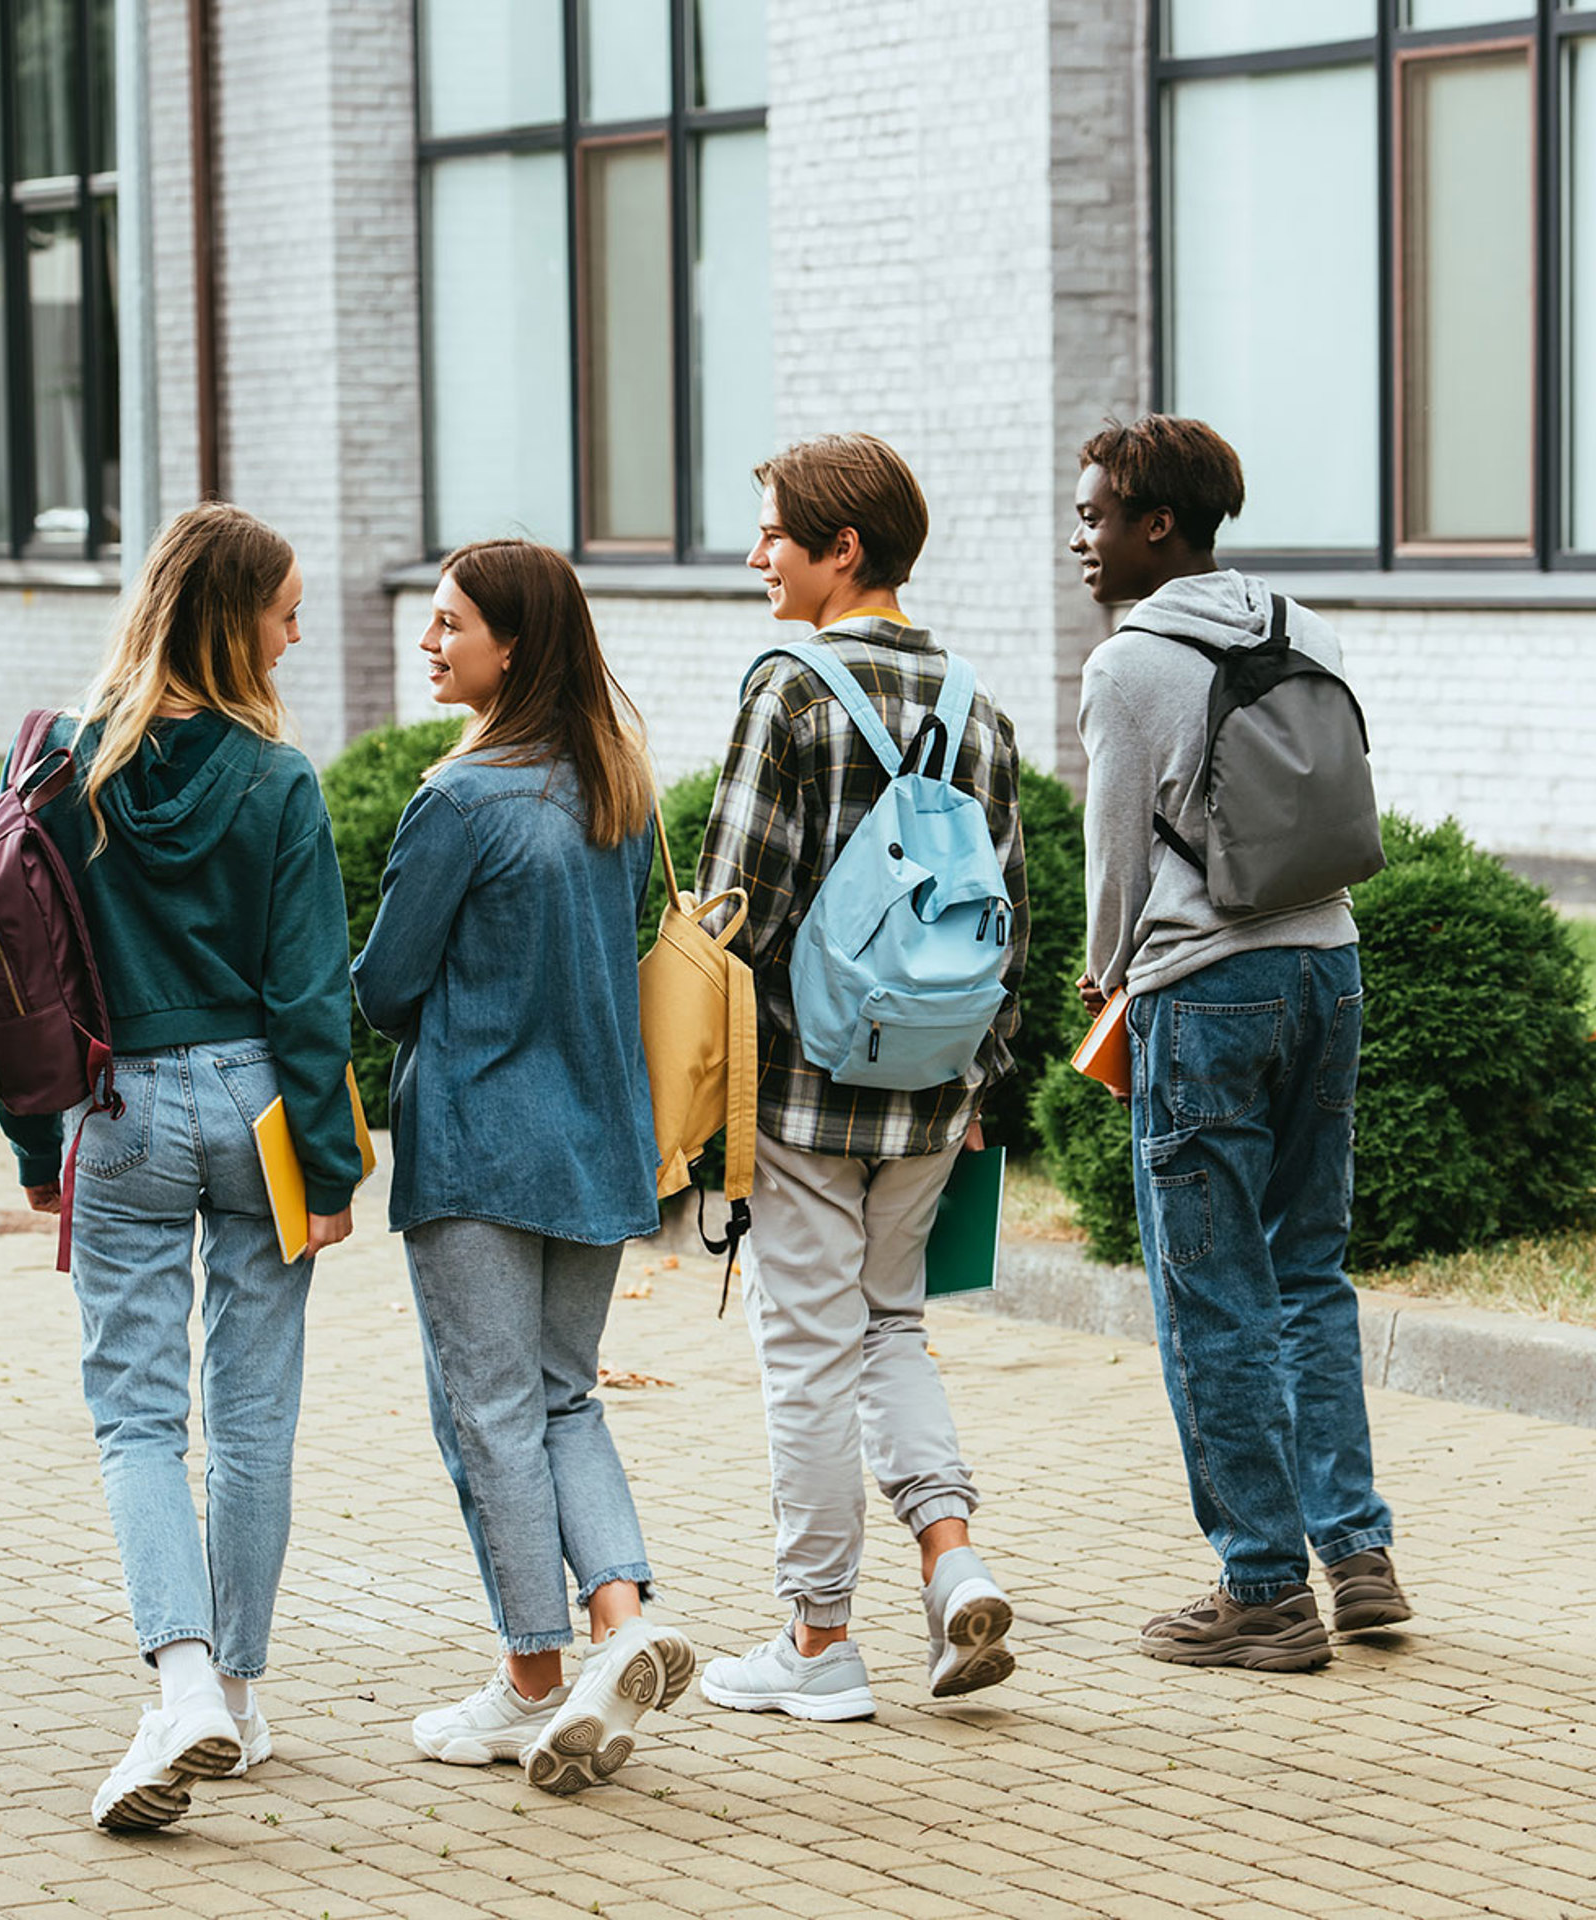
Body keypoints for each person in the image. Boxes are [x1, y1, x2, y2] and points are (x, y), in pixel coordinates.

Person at [0, 502, 360, 1828]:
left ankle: (187, 1681)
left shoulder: (64, 768)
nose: (298, 630)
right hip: (259, 1106)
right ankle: (243, 1702)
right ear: (233, 620)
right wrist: (329, 1171)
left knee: (141, 1417)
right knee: (254, 1412)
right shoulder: (279, 781)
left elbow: (13, 975)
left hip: (120, 1108)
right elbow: (314, 999)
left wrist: (39, 1147)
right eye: (284, 609)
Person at [352, 537, 696, 1795]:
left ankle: (532, 1678)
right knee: (562, 1399)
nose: (430, 642)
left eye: (450, 625)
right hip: (600, 1140)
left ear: (516, 645)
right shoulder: (619, 787)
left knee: (488, 1414)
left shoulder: (458, 802)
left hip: (482, 1146)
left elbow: (388, 990)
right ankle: (622, 1627)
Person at [693, 433, 1028, 1720]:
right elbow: (1012, 914)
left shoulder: (791, 691)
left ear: (844, 548)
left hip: (803, 1093)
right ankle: (953, 1563)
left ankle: (820, 1639)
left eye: (773, 533)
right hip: (937, 1085)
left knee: (809, 1355)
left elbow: (733, 914)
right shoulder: (977, 704)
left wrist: (696, 1089)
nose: (754, 556)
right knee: (894, 1327)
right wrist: (983, 1080)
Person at [1068, 412, 1409, 1670]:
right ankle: (1355, 1552)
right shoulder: (1300, 627)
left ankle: (1262, 1589)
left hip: (1207, 988)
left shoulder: (1129, 664)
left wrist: (1106, 980)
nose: (1080, 538)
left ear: (1161, 525)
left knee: (1210, 1291)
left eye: (1097, 515)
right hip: (1330, 963)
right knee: (1308, 1271)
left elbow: (1115, 855)